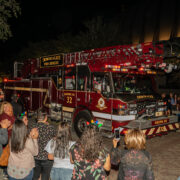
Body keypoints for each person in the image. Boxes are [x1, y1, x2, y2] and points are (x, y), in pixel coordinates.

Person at [32, 108, 56, 180]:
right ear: (46, 118)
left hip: (35, 156)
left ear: (37, 117)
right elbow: (55, 139)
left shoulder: (32, 127)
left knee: (35, 176)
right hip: (47, 157)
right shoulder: (50, 128)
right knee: (45, 177)